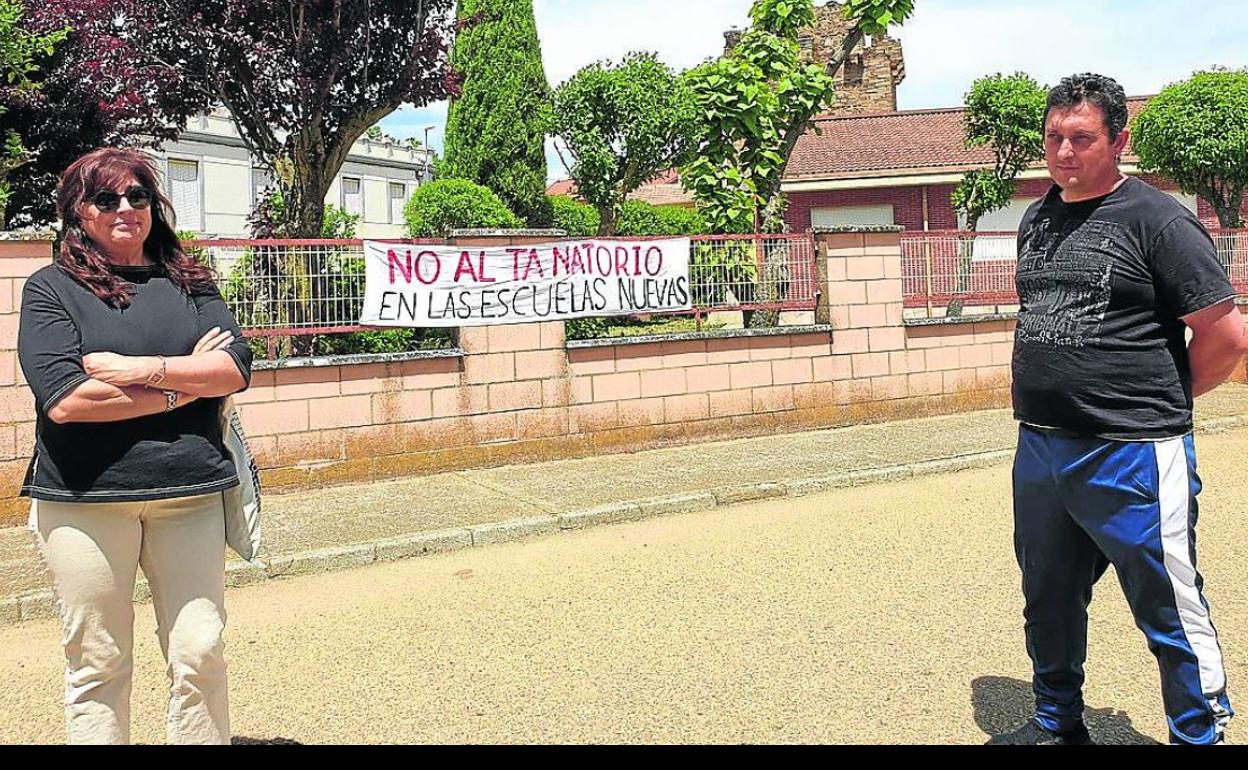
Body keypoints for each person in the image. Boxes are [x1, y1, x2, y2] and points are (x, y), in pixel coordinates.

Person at [988, 73, 1248, 746]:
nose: (1064, 153)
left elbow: (1226, 336)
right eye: (1053, 138)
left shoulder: (1158, 220)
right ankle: (1057, 721)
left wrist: (1160, 400)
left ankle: (1199, 733)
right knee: (1047, 598)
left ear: (1118, 140)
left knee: (1168, 605)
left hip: (1132, 452)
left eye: (1082, 138)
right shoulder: (1039, 218)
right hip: (1042, 447)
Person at [17, 147, 252, 744]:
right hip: (85, 499)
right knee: (99, 662)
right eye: (107, 198)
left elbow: (233, 369)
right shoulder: (52, 289)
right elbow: (67, 400)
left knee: (201, 650)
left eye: (138, 195)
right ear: (79, 210)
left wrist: (139, 369)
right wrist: (181, 385)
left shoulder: (189, 280)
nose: (126, 208)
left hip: (189, 492)